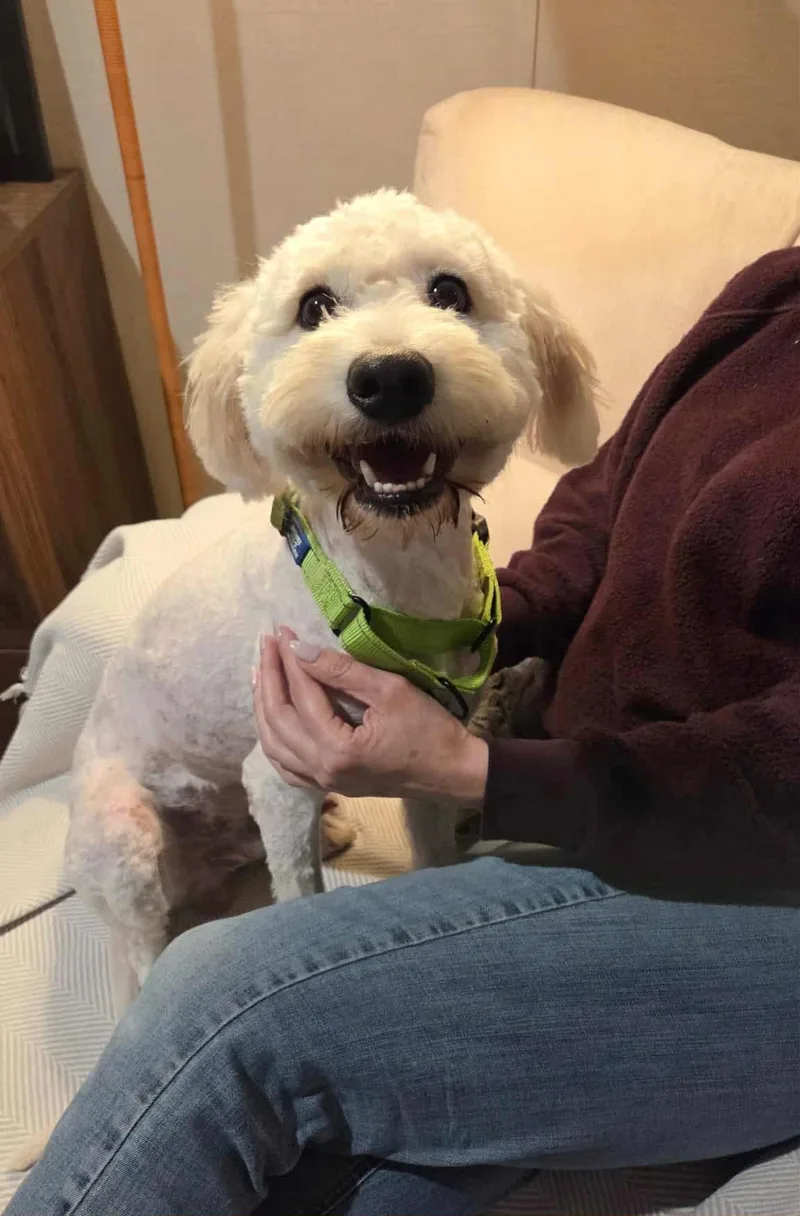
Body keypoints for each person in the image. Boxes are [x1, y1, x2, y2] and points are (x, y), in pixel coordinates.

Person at [8, 250, 800, 1216]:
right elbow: (602, 509)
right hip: (577, 799)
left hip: (742, 858)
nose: (388, 357)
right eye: (318, 307)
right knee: (356, 1187)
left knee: (217, 1002)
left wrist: (476, 768)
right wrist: (476, 621)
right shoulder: (772, 289)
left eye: (449, 296)